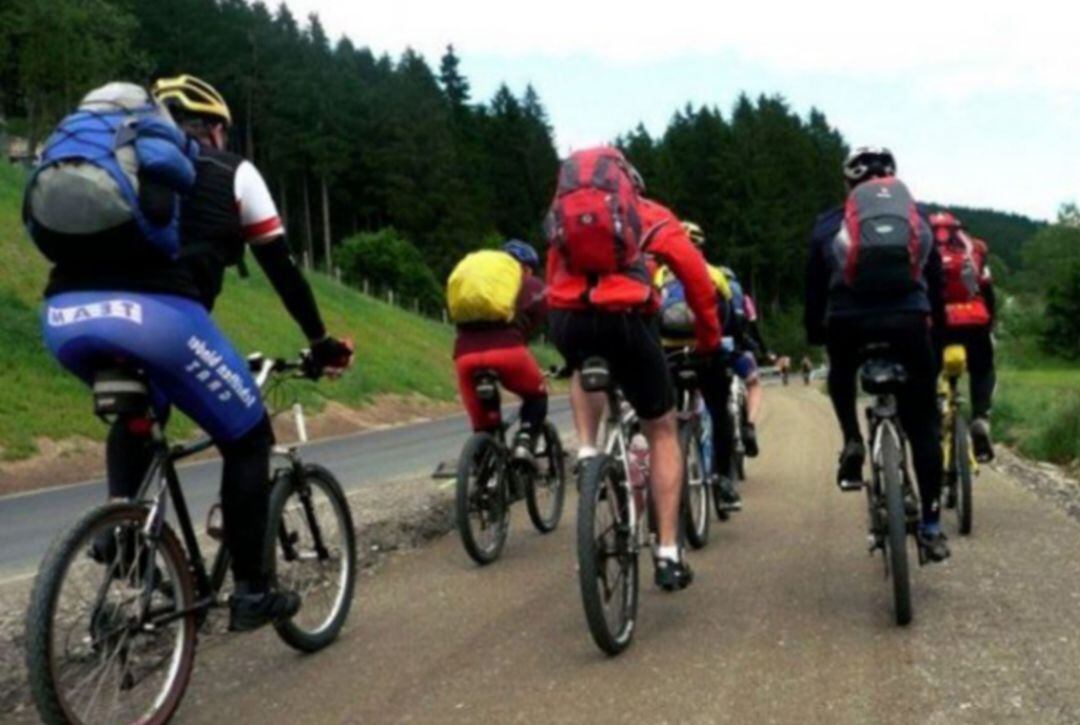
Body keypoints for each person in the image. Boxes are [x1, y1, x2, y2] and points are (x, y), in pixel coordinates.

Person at [40, 75, 354, 631]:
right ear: (213, 128)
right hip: (159, 322)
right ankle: (253, 592)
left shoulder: (120, 163)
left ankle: (124, 536)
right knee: (249, 436)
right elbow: (280, 267)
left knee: (141, 415)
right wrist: (320, 343)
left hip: (65, 315)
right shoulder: (232, 170)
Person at [546, 146, 722, 591]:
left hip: (569, 321)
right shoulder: (652, 215)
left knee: (584, 368)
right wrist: (708, 340)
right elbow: (698, 282)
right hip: (628, 321)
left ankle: (587, 451)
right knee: (661, 429)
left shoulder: (563, 214)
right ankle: (666, 552)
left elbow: (551, 278)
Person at [804, 146, 950, 562]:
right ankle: (933, 525)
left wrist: (817, 329)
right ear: (891, 179)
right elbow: (935, 281)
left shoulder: (829, 223)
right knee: (923, 425)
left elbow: (813, 286)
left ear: (849, 184)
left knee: (841, 372)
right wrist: (934, 328)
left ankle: (851, 438)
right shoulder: (915, 217)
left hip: (848, 322)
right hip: (908, 320)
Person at [654, 220, 740, 511]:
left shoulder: (659, 275)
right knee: (720, 412)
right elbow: (730, 319)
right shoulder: (714, 274)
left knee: (663, 419)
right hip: (705, 351)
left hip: (669, 354)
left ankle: (661, 479)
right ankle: (725, 479)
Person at [452, 240, 548, 459]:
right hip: (509, 352)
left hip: (465, 356)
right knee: (537, 395)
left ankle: (482, 467)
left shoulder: (479, 285)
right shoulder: (531, 283)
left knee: (485, 427)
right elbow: (538, 320)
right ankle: (525, 440)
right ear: (527, 267)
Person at [929, 211, 996, 461]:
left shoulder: (919, 247)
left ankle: (931, 416)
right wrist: (989, 323)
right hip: (973, 320)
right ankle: (980, 417)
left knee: (925, 372)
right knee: (983, 368)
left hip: (935, 323)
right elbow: (987, 289)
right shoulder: (975, 248)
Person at [718, 266, 772, 457]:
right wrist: (762, 350)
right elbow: (752, 328)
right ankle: (749, 425)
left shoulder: (701, 285)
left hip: (705, 350)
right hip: (735, 349)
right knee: (754, 382)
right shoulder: (744, 298)